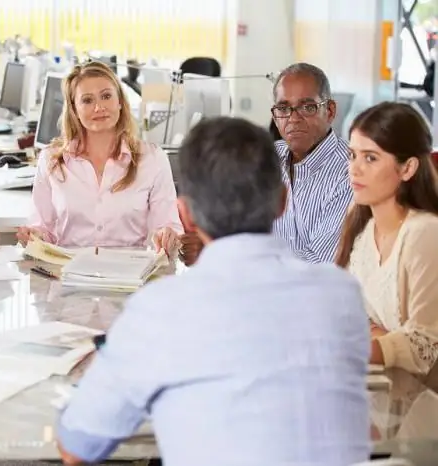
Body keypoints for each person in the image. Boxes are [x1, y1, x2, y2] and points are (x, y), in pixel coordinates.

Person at [56, 117, 371, 465]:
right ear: (282, 201)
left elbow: (77, 445)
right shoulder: (342, 293)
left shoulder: (160, 308)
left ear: (186, 216)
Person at [179, 63, 351, 266]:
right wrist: (207, 244)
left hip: (314, 294)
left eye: (308, 107)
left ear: (330, 111)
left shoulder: (349, 171)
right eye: (283, 108)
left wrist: (222, 255)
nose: (294, 118)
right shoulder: (267, 156)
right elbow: (238, 227)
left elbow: (318, 265)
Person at [16, 61, 182, 253]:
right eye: (87, 100)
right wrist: (34, 236)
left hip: (131, 276)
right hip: (68, 275)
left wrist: (168, 237)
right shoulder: (51, 160)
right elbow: (42, 228)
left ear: (120, 101)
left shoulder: (153, 159)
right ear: (74, 109)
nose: (99, 107)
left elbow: (169, 227)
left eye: (106, 96)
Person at [336, 102, 438, 375]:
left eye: (370, 158)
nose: (354, 169)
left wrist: (356, 346)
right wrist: (381, 335)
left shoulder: (424, 233)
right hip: (382, 386)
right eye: (352, 155)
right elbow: (347, 314)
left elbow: (424, 345)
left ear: (407, 169)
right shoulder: (360, 224)